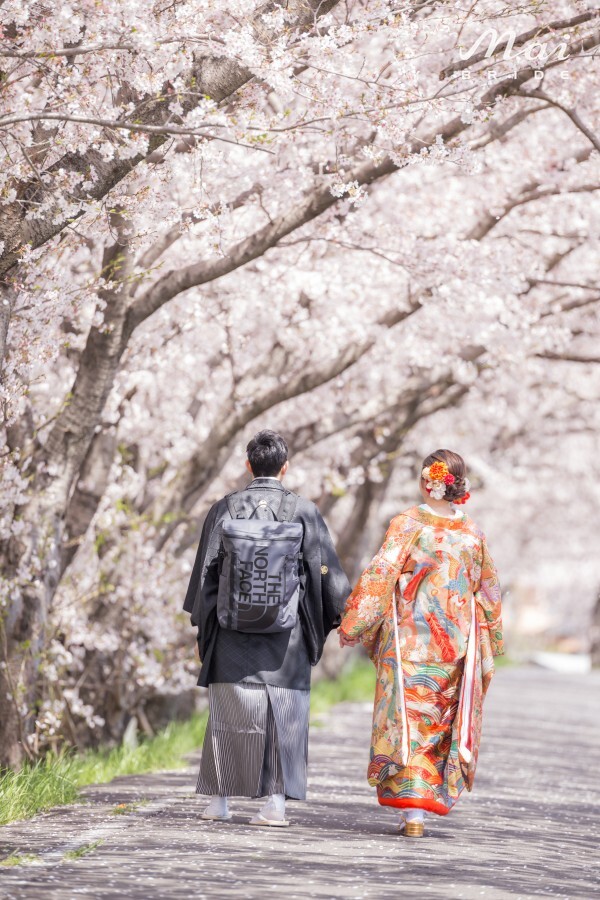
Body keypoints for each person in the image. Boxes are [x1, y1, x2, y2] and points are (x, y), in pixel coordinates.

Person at [183, 430, 350, 827]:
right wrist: (335, 618)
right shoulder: (303, 511)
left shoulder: (224, 508)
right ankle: (275, 804)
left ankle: (219, 802)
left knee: (228, 712)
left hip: (230, 633)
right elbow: (326, 575)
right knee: (282, 716)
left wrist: (202, 632)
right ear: (285, 467)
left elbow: (205, 578)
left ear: (248, 465)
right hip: (285, 638)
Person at [338, 449, 503, 838]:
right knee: (439, 725)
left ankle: (413, 813)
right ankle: (420, 809)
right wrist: (490, 639)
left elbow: (381, 574)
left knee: (409, 723)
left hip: (410, 642)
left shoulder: (408, 524)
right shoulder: (473, 535)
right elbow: (490, 592)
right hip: (455, 647)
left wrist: (354, 623)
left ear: (426, 481)